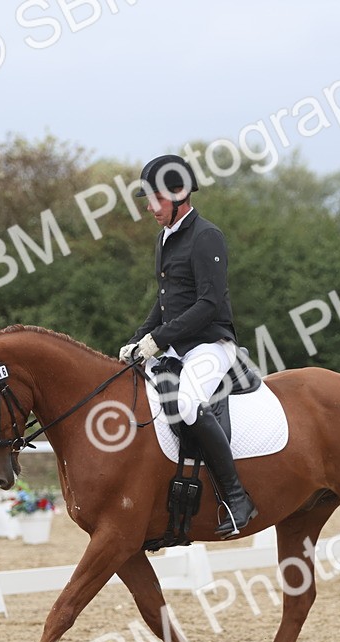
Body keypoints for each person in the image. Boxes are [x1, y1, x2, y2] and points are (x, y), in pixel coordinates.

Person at [119, 154, 258, 537]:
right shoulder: (165, 237)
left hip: (210, 344)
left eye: (154, 199)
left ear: (179, 195)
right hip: (177, 346)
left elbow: (207, 304)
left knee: (186, 403)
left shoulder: (206, 235)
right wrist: (137, 340)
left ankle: (237, 497)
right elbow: (163, 303)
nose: (148, 208)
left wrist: (158, 340)